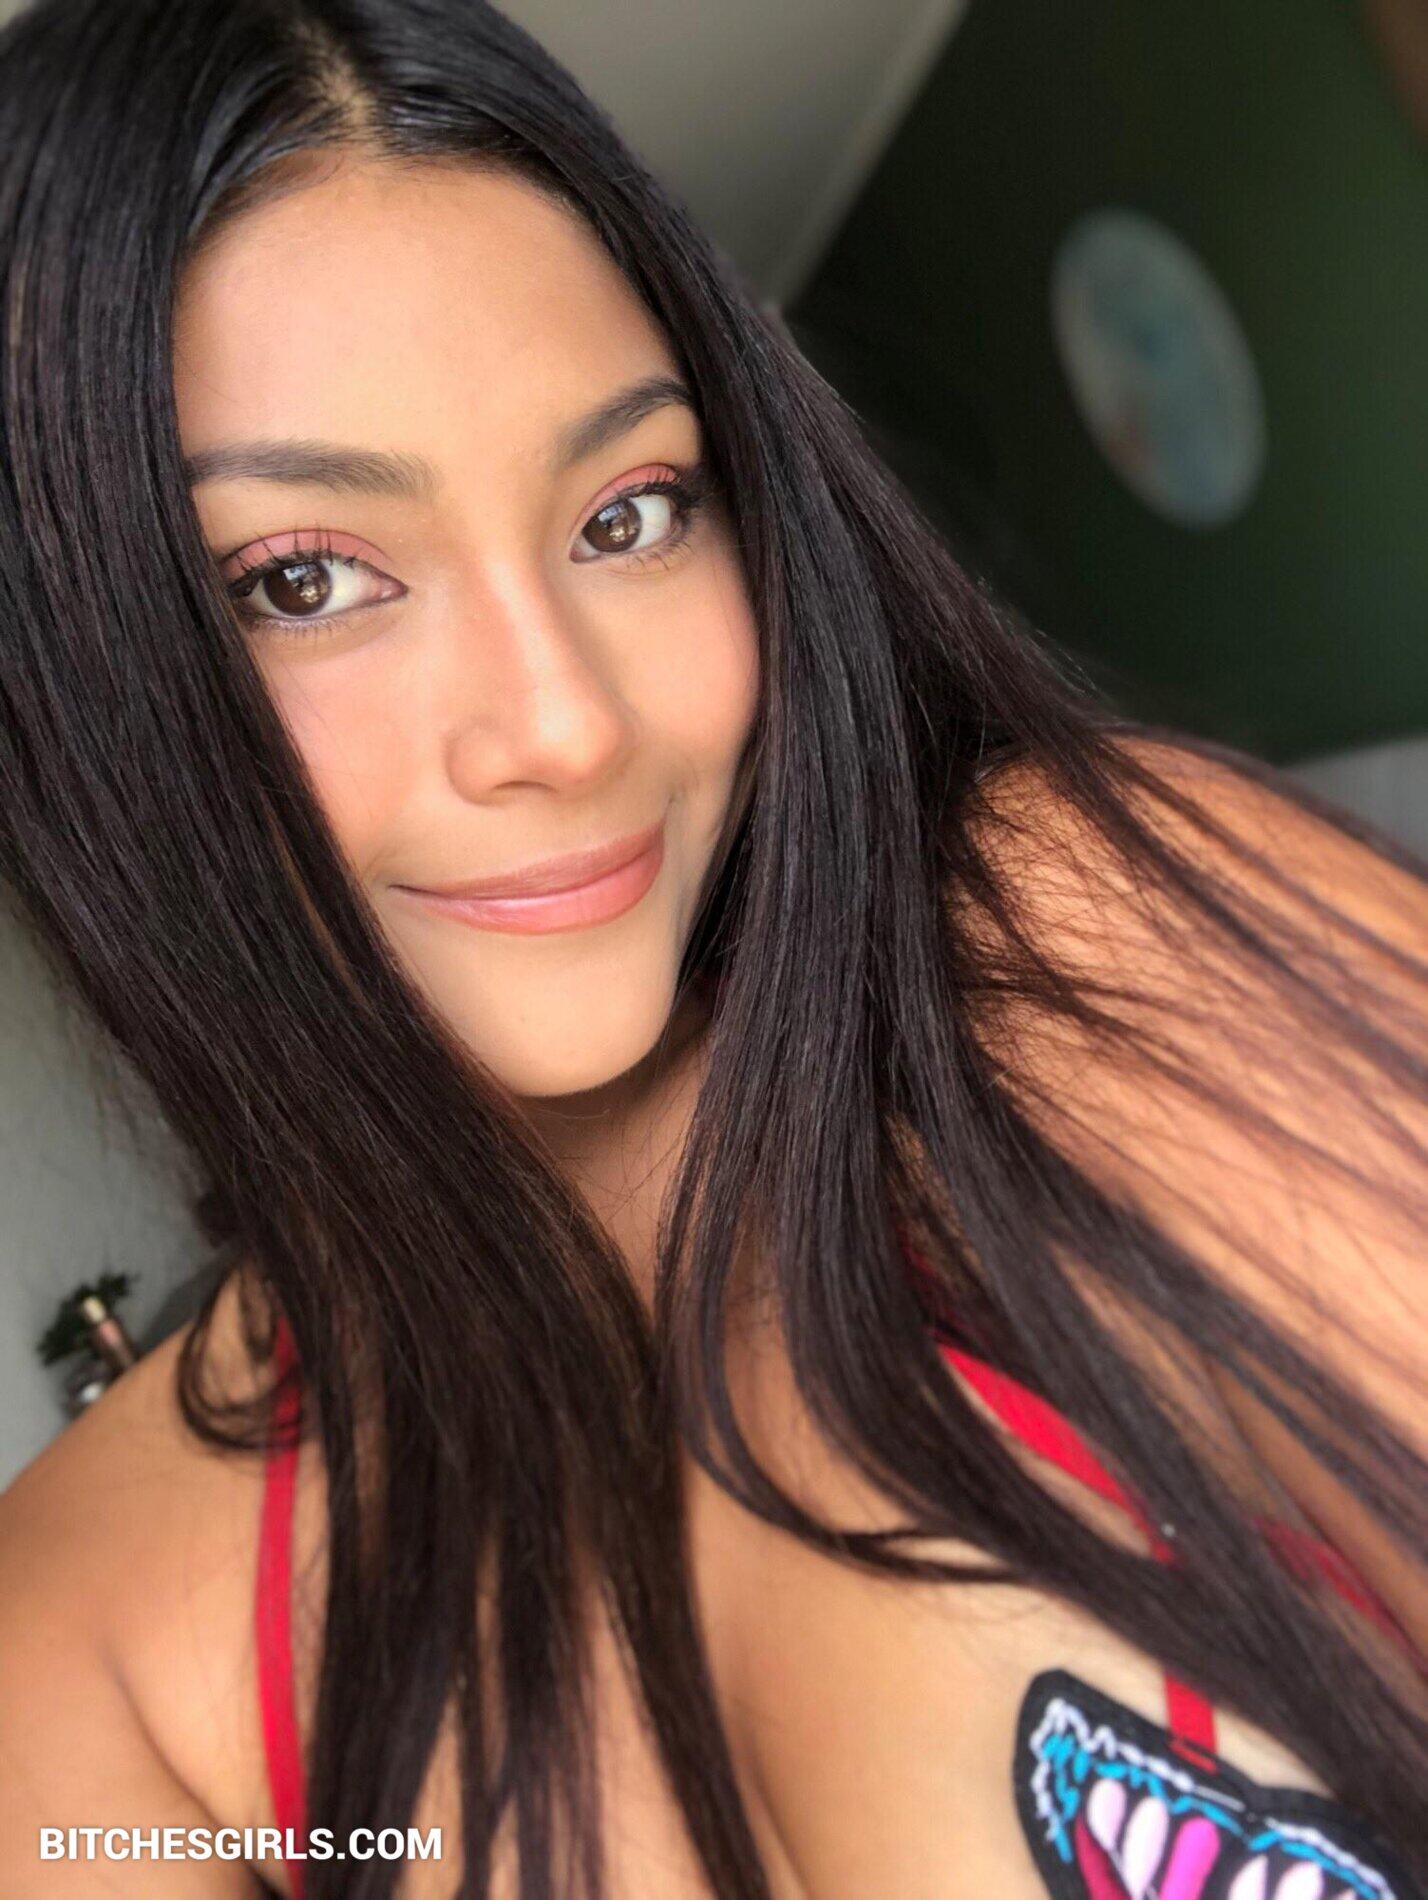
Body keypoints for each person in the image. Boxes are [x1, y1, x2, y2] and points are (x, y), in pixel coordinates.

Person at [0, 2, 1423, 1895]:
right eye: (306, 579)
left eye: (628, 513)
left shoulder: (1072, 963)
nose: (567, 722)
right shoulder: (79, 1648)